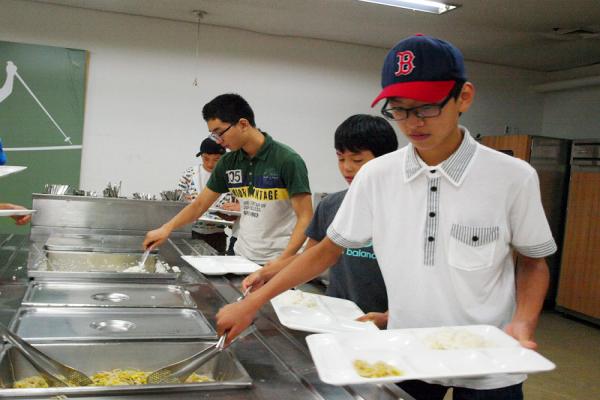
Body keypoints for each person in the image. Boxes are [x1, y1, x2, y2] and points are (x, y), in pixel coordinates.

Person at [216, 35, 555, 400]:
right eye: (399, 109)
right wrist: (251, 304)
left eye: (426, 108)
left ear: (464, 97)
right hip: (405, 351)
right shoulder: (378, 176)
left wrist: (523, 322)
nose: (412, 123)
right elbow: (326, 251)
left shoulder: (512, 177)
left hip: (490, 358)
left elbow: (534, 262)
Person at [242, 114, 398, 327]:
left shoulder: (405, 208)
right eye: (341, 158)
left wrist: (390, 316)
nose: (347, 167)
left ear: (386, 160)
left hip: (390, 327)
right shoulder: (331, 205)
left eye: (357, 160)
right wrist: (266, 273)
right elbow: (311, 257)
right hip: (336, 316)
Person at [144, 93, 313, 265]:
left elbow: (305, 217)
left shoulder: (287, 160)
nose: (219, 141)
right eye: (213, 135)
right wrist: (166, 228)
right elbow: (199, 205)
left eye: (219, 133)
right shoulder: (228, 162)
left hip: (280, 260)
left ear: (243, 124)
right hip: (242, 257)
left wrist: (283, 260)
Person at [177, 137, 233, 254]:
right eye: (206, 159)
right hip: (192, 232)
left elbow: (238, 205)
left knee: (216, 263)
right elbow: (177, 198)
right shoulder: (190, 174)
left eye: (216, 159)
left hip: (218, 234)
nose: (210, 164)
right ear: (201, 156)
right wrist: (183, 200)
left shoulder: (231, 177)